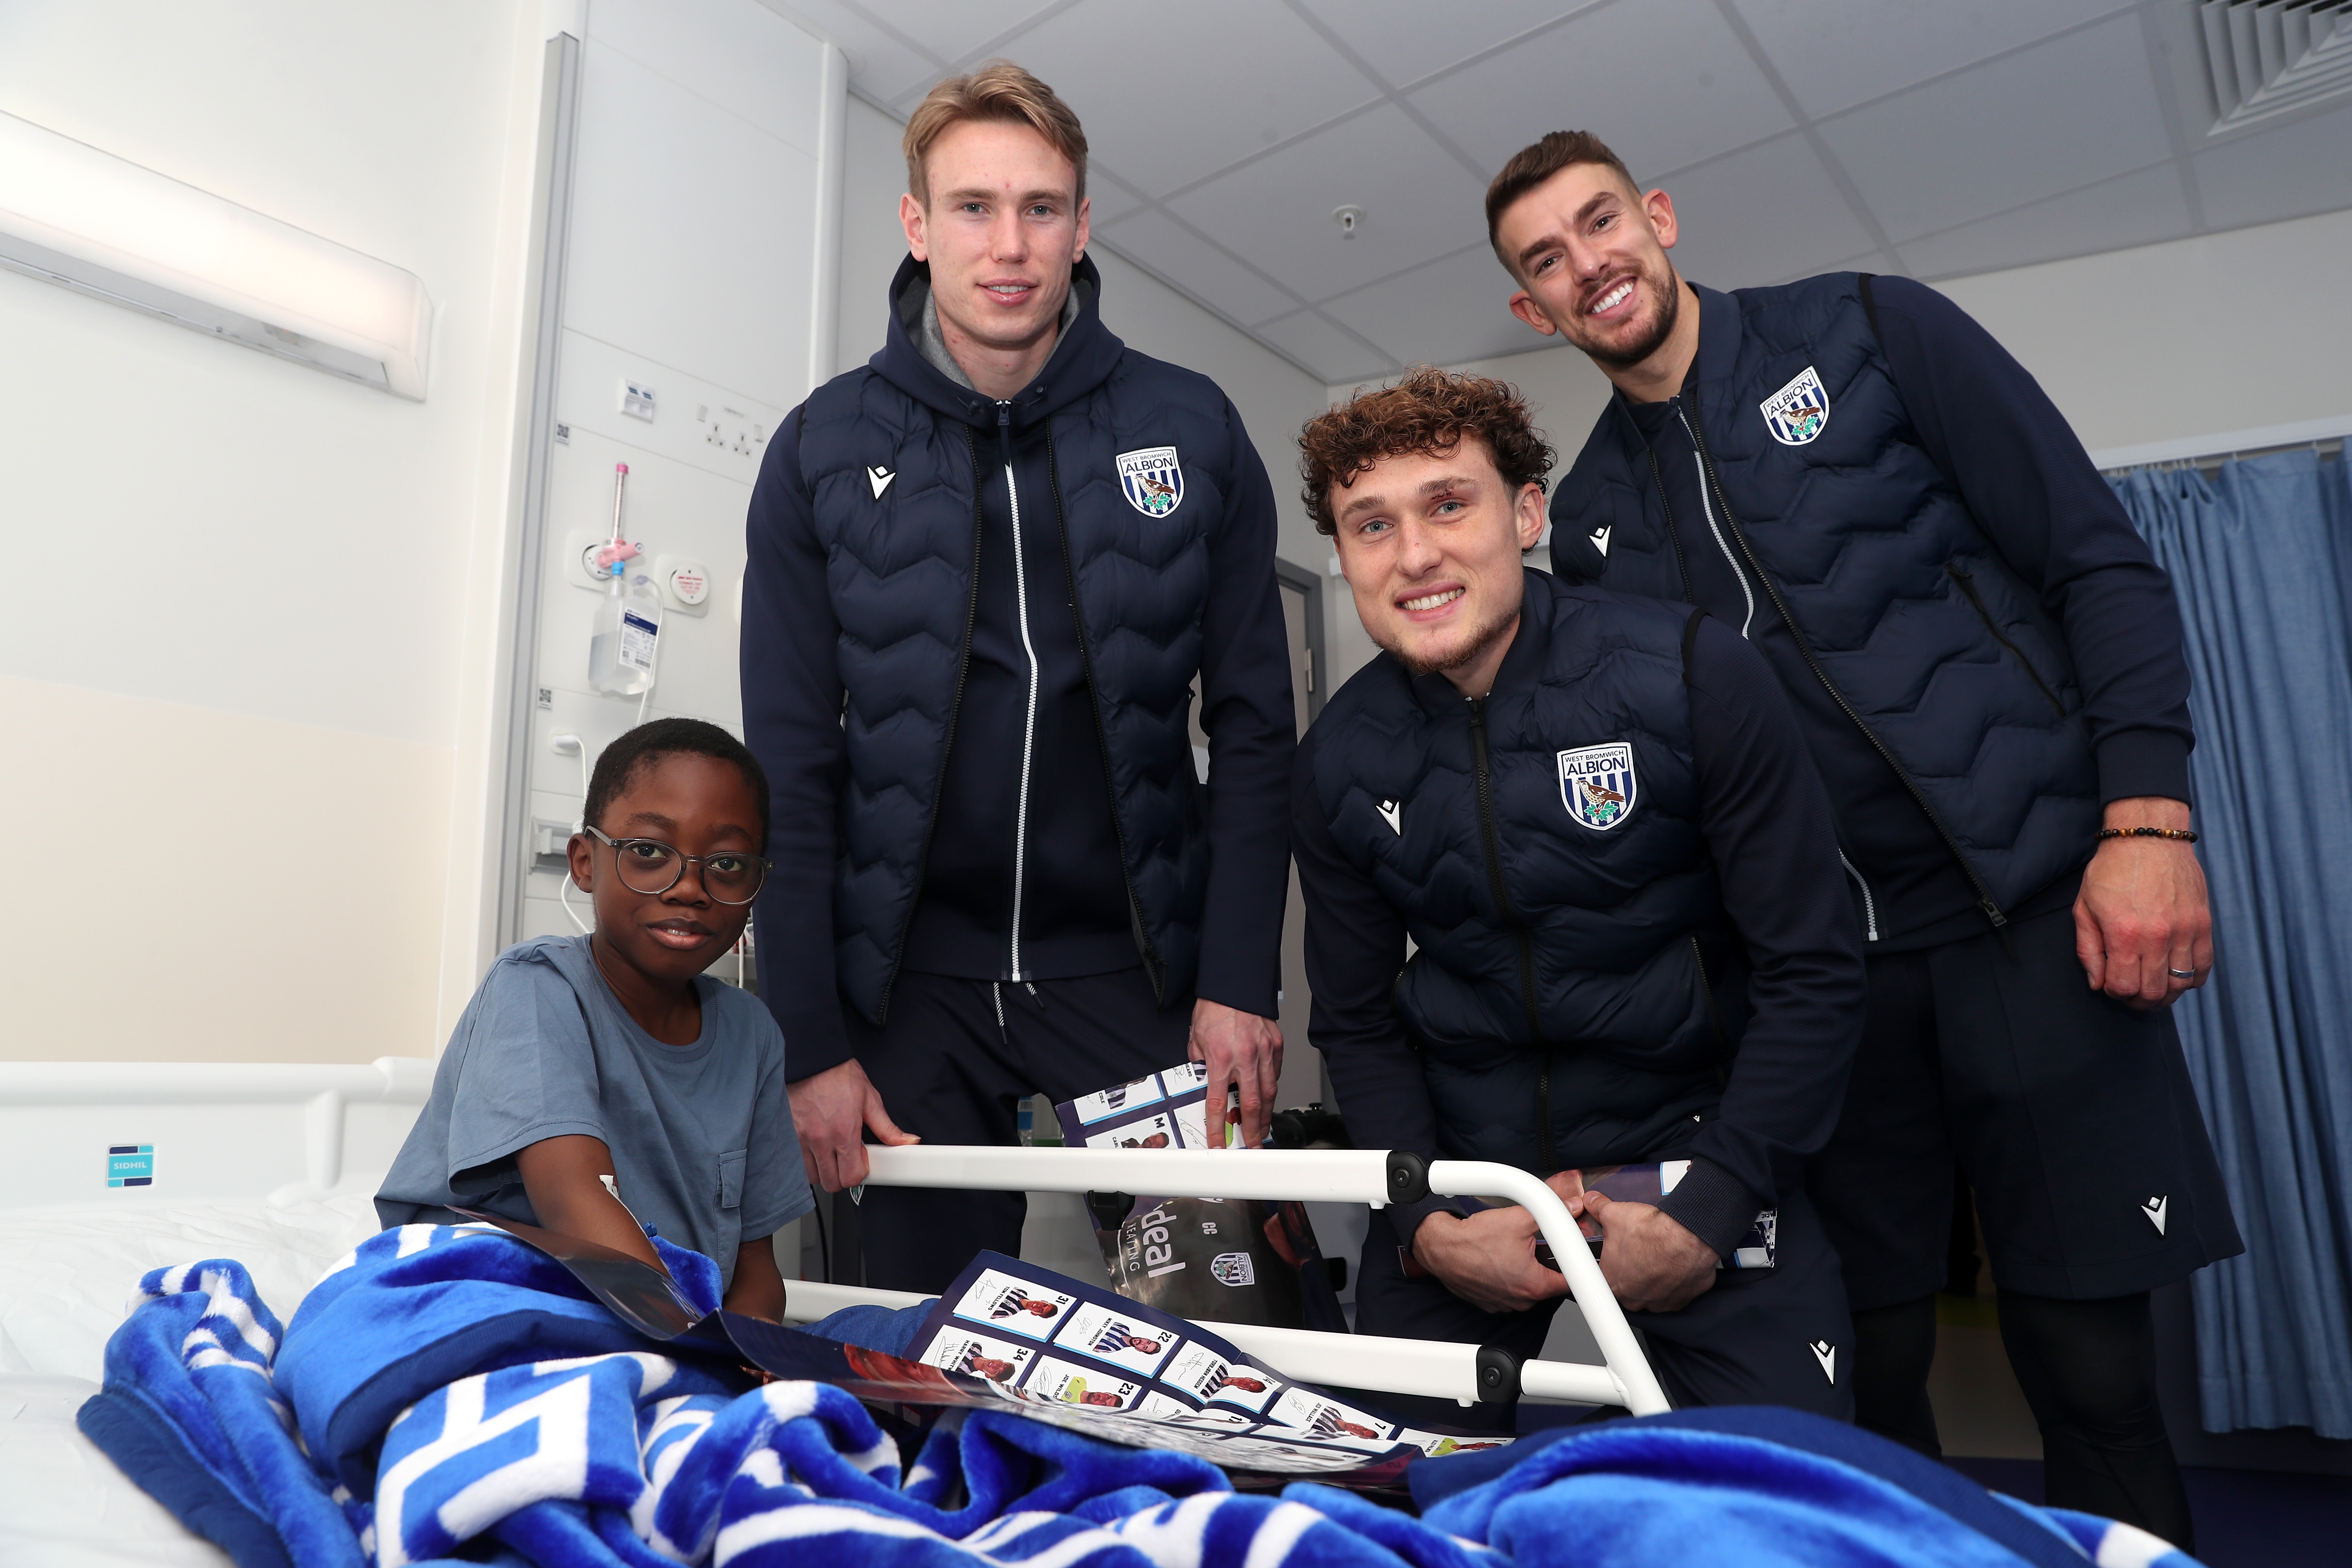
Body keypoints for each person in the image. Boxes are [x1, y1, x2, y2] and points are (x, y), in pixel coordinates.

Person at [1486, 129, 2241, 1544]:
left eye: (1598, 222)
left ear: (1655, 216)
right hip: (1826, 999)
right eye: (1545, 258)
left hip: (2033, 927)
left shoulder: (1873, 329)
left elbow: (2095, 559)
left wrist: (2145, 818)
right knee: (1865, 1379)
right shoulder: (1584, 528)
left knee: (2091, 1368)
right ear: (1533, 308)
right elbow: (1651, 833)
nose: (1587, 262)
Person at [741, 62, 1295, 1294]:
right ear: (918, 225)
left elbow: (1258, 728)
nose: (1010, 245)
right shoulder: (822, 451)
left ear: (1083, 226)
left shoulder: (1191, 427)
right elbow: (789, 759)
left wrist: (1238, 981)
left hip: (1136, 981)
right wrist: (808, 1042)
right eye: (975, 207)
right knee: (918, 1362)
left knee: (1214, 1325)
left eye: (1042, 208)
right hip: (907, 995)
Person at [1292, 368, 1867, 1427]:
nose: (1414, 555)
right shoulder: (1336, 760)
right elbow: (1358, 1024)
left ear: (1526, 512)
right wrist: (1424, 1218)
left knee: (1778, 1509)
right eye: (1371, 525)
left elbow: (1812, 969)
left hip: (1702, 1158)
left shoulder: (1693, 675)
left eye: (1448, 504)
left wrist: (1713, 1206)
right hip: (1469, 1177)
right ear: (1342, 556)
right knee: (1384, 1506)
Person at [378, 719, 807, 1318]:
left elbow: (756, 1267)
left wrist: (742, 1359)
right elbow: (572, 1202)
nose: (690, 888)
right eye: (650, 853)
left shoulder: (751, 1034)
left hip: (674, 1324)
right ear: (584, 862)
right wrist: (690, 1345)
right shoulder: (537, 987)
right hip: (513, 1302)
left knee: (897, 1334)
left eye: (729, 864)